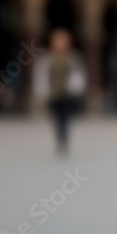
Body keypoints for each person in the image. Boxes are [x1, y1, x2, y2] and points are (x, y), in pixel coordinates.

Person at [33, 28, 86, 156]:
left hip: (67, 94)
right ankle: (60, 138)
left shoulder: (73, 57)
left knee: (65, 116)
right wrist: (42, 91)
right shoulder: (47, 58)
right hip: (53, 94)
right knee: (57, 117)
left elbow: (79, 74)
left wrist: (76, 87)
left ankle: (63, 138)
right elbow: (41, 74)